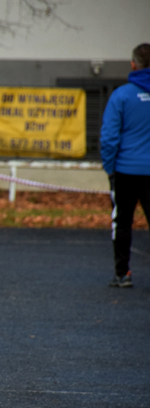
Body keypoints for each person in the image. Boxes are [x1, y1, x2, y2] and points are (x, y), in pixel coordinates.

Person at [100, 42, 150, 288]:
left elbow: (109, 137)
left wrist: (109, 167)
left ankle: (122, 273)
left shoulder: (121, 95)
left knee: (122, 222)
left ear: (133, 65)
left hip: (126, 170)